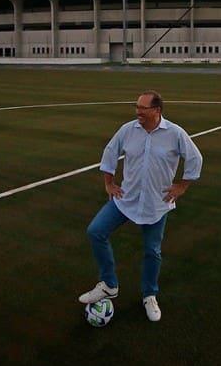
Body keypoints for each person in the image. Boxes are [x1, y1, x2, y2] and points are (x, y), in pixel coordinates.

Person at [78, 90, 203, 322]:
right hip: (126, 199)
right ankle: (108, 284)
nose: (137, 112)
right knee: (96, 231)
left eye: (143, 108)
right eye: (136, 107)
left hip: (156, 204)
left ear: (157, 110)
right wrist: (109, 183)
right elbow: (110, 152)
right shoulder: (128, 130)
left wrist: (182, 187)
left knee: (152, 251)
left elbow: (195, 158)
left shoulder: (175, 133)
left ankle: (149, 295)